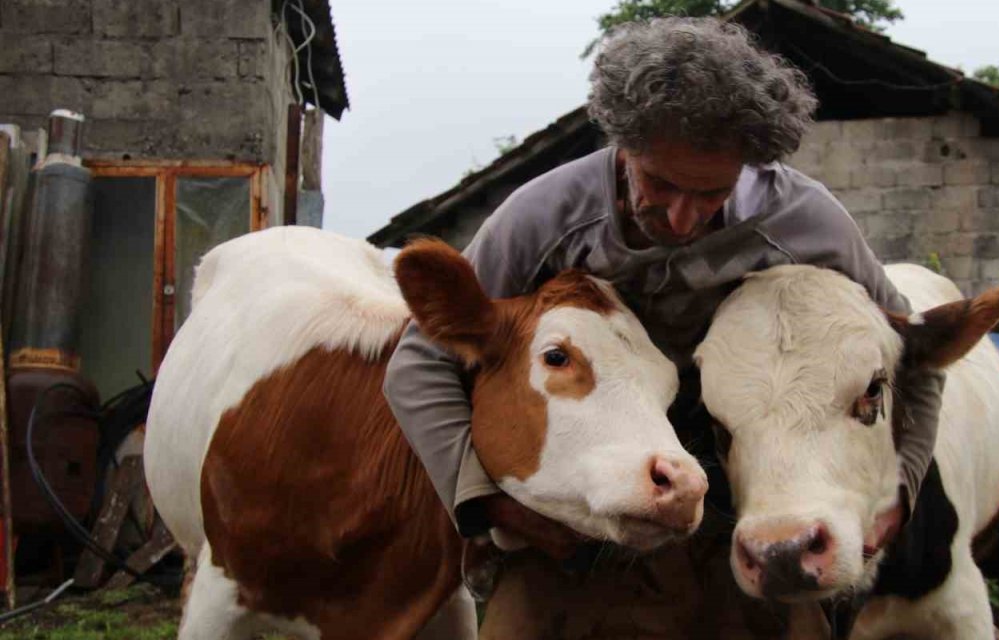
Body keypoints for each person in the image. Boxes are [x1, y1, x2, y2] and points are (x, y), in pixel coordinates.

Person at [383, 16, 945, 627]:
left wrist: (902, 492)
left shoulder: (806, 221)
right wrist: (490, 503)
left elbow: (914, 356)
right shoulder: (544, 217)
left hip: (743, 498)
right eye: (661, 184)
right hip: (584, 503)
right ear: (624, 143)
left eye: (711, 195)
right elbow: (419, 363)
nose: (681, 219)